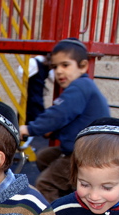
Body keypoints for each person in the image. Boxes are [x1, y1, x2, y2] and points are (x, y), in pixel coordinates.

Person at [19, 38, 110, 203]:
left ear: (83, 66)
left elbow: (59, 114)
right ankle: (70, 197)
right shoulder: (82, 87)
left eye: (65, 65)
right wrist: (52, 130)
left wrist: (29, 129)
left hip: (86, 155)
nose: (59, 71)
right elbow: (70, 120)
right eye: (55, 67)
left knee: (46, 184)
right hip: (81, 151)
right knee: (44, 157)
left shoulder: (80, 87)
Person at [16, 54, 53, 124]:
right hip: (37, 99)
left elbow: (21, 72)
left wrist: (22, 65)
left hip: (30, 100)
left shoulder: (33, 62)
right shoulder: (44, 64)